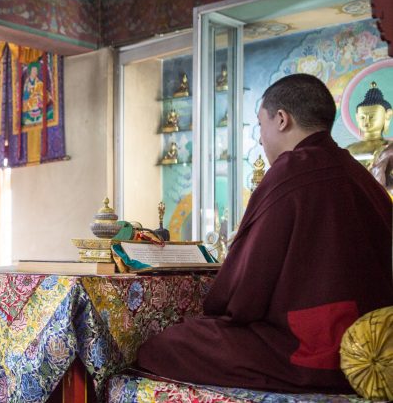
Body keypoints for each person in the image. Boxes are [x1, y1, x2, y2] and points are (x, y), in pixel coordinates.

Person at [137, 74, 393, 394]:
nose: (260, 139)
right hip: (380, 346)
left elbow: (243, 295)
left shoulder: (289, 172)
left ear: (282, 119)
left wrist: (217, 308)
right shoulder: (362, 177)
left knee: (168, 344)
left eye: (261, 125)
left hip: (316, 352)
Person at [345, 81, 392, 167]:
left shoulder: (390, 148)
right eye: (362, 117)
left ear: (387, 116)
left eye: (372, 117)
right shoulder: (348, 150)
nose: (366, 121)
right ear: (357, 117)